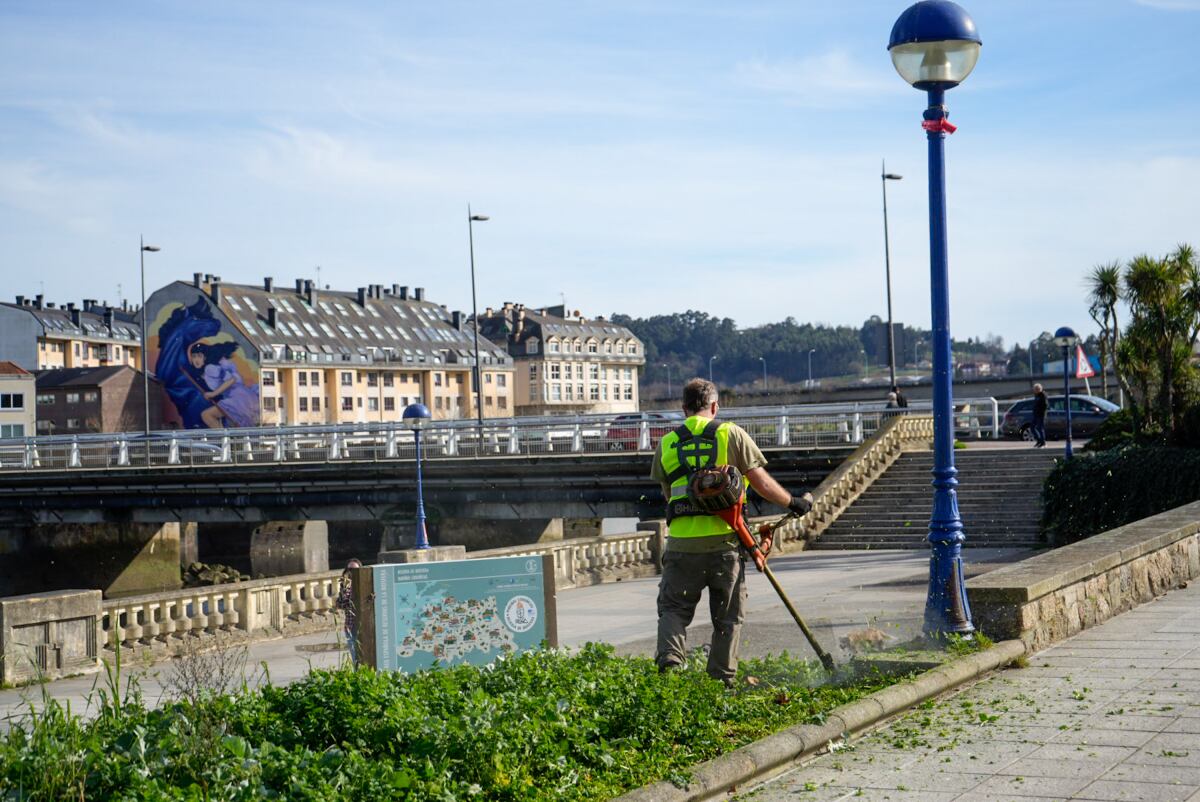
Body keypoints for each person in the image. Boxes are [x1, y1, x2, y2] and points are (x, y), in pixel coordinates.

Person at [649, 378, 813, 687]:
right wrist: (794, 502)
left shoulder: (666, 443)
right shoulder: (731, 433)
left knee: (673, 610)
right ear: (714, 406)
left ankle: (671, 667)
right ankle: (721, 683)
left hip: (682, 545)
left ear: (683, 409)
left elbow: (669, 495)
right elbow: (760, 482)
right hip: (725, 544)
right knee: (727, 618)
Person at [337, 559, 363, 665]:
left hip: (363, 626)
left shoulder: (365, 583)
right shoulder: (345, 585)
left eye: (355, 570)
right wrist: (344, 590)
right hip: (350, 625)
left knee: (365, 656)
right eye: (350, 569)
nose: (352, 572)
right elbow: (340, 605)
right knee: (355, 657)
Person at [1031, 383, 1047, 448]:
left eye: (1035, 389)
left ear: (1039, 389)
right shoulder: (1036, 395)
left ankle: (1043, 443)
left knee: (1040, 428)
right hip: (1036, 414)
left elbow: (1045, 405)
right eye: (1034, 389)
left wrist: (1041, 411)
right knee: (1032, 427)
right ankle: (1039, 441)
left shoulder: (1043, 395)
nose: (1034, 390)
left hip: (1041, 415)